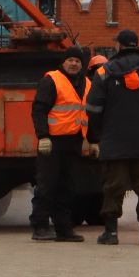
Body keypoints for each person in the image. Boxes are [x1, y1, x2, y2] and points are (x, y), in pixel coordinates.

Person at [86, 29, 139, 246]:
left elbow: (94, 109)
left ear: (119, 46)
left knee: (113, 186)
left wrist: (99, 133)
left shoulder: (104, 73)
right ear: (136, 44)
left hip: (113, 141)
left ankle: (110, 233)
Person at [29, 47, 91, 242]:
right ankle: (40, 226)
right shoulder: (52, 80)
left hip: (74, 142)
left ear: (82, 65)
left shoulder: (87, 83)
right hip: (53, 143)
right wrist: (43, 136)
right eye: (70, 60)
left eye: (77, 61)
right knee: (47, 185)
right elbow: (39, 110)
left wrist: (93, 140)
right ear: (63, 63)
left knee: (67, 187)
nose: (74, 64)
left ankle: (64, 229)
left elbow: (89, 114)